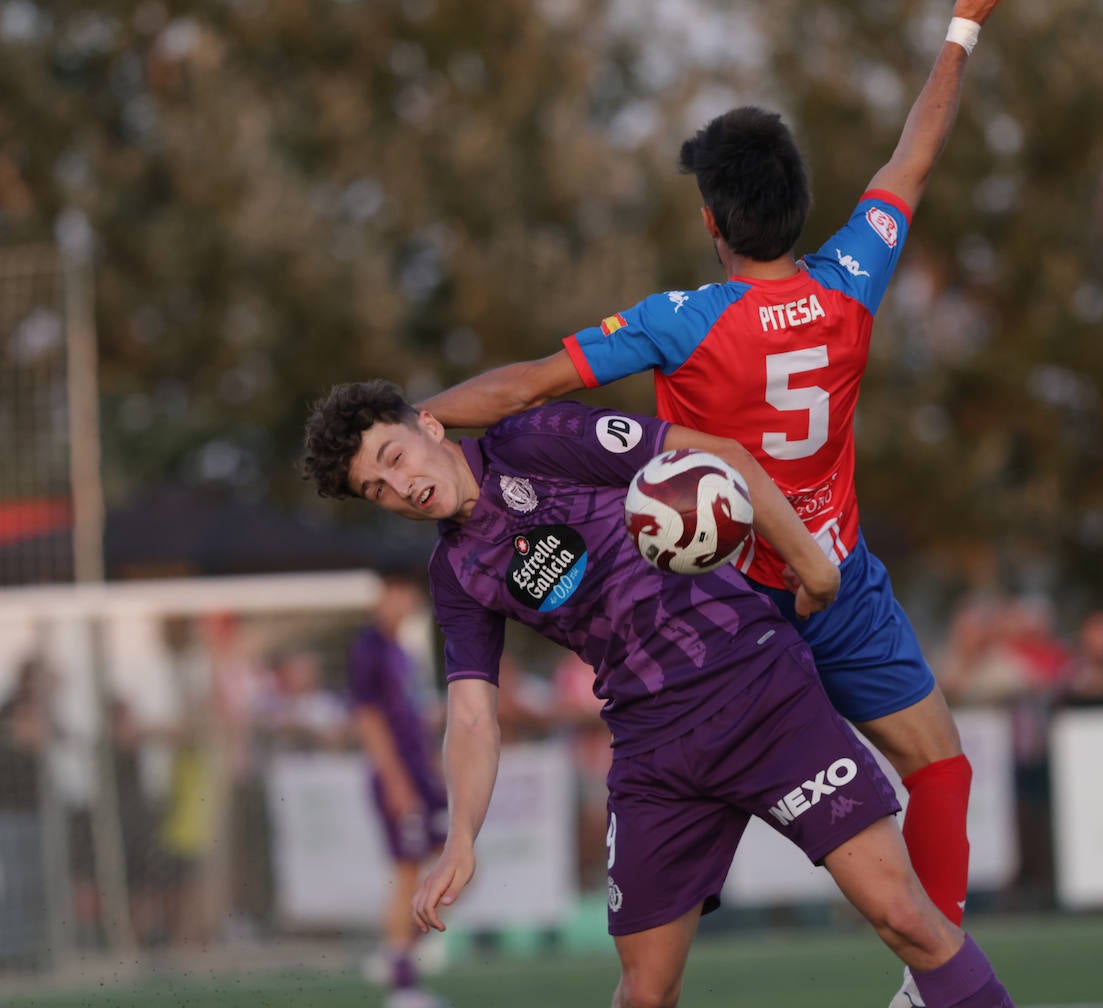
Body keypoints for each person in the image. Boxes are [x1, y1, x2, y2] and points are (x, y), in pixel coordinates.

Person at [417, 6, 999, 998]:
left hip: (714, 611)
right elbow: (914, 157)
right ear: (804, 209)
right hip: (837, 578)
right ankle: (923, 981)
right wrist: (960, 31)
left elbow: (525, 388)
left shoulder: (679, 320)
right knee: (940, 770)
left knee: (657, 946)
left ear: (711, 222)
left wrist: (419, 420)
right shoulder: (855, 277)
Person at [301, 381, 1014, 1008]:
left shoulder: (533, 441)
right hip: (654, 750)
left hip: (760, 692)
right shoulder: (455, 575)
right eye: (377, 490)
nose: (401, 489)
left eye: (394, 459)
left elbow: (721, 457)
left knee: (905, 919)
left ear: (428, 425)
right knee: (645, 992)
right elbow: (470, 714)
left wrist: (812, 567)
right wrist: (460, 837)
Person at [349, 571, 449, 1008]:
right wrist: (396, 781)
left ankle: (400, 950)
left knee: (449, 866)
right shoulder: (368, 648)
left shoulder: (400, 651)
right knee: (408, 874)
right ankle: (402, 983)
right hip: (399, 778)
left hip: (417, 774)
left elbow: (411, 717)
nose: (409, 602)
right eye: (404, 592)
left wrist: (430, 770)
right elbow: (368, 719)